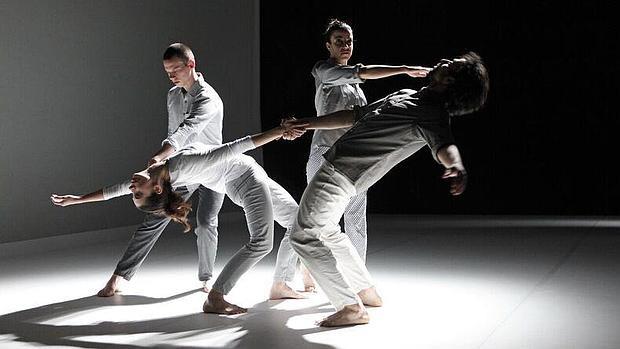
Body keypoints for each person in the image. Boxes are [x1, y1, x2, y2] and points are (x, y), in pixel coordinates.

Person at [285, 52, 490, 326]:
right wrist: (307, 123)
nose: (441, 62)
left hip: (342, 173)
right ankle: (366, 291)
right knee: (327, 230)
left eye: (449, 65)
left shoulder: (432, 114)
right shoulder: (407, 94)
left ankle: (350, 306)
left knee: (303, 235)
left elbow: (444, 145)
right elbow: (354, 115)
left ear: (450, 81)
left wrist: (456, 164)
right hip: (339, 168)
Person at [52, 124, 308, 314]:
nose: (132, 188)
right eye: (139, 193)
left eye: (134, 193)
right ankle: (216, 296)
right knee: (262, 243)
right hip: (245, 180)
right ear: (157, 190)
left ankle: (281, 283)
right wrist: (280, 131)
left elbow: (114, 190)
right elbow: (236, 147)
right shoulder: (184, 165)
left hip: (250, 173)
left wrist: (78, 199)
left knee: (297, 222)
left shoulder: (158, 170)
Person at [289, 19, 432, 294]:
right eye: (339, 41)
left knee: (355, 216)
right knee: (318, 217)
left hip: (353, 158)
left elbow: (361, 113)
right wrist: (403, 69)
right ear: (328, 45)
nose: (345, 46)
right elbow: (361, 72)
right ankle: (308, 271)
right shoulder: (322, 70)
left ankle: (358, 281)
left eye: (349, 41)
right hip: (324, 153)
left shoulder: (357, 88)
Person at [96, 43, 226, 297]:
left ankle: (206, 279)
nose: (172, 76)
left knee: (206, 222)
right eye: (167, 72)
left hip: (211, 166)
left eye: (176, 69)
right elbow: (173, 132)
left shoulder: (208, 97)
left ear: (191, 64)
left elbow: (187, 130)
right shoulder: (173, 95)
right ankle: (119, 276)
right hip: (182, 169)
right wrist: (165, 166)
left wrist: (159, 156)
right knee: (154, 218)